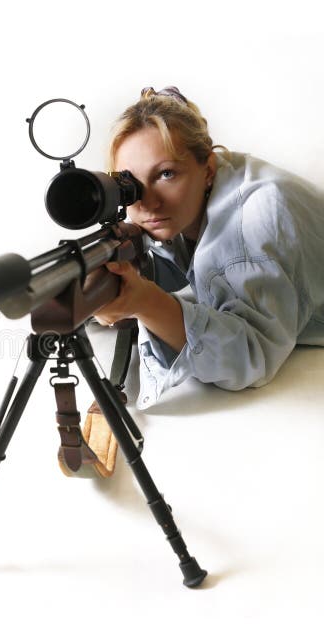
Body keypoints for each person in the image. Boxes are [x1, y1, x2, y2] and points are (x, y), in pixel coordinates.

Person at [94, 86, 324, 409]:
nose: (149, 202)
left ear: (209, 168)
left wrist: (144, 302)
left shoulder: (252, 220)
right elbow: (175, 266)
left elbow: (251, 357)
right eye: (131, 185)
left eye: (166, 174)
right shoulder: (189, 203)